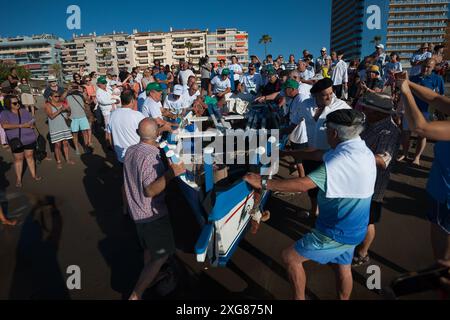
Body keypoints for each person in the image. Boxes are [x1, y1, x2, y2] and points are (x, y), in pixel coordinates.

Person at [245, 109, 376, 300]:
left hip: (336, 231)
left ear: (334, 133)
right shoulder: (361, 149)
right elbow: (319, 154)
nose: (324, 133)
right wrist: (287, 152)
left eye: (326, 130)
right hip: (356, 227)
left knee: (290, 257)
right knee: (343, 265)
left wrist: (262, 182)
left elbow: (302, 184)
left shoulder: (340, 162)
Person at [124, 118, 185, 300]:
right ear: (157, 133)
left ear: (137, 132)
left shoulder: (130, 150)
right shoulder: (152, 156)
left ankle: (150, 277)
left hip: (136, 210)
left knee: (148, 249)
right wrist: (172, 173)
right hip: (151, 214)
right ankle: (136, 295)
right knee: (160, 256)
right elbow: (150, 190)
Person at [397, 73, 450, 261]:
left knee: (443, 255)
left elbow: (420, 128)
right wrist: (408, 83)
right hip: (440, 191)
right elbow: (435, 98)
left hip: (446, 196)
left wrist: (405, 92)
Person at [282, 78, 351, 217]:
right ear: (315, 95)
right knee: (312, 188)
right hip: (310, 152)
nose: (329, 97)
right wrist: (278, 132)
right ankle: (314, 210)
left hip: (330, 155)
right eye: (325, 94)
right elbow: (294, 124)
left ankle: (329, 214)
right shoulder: (306, 105)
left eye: (331, 93)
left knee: (330, 188)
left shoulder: (340, 106)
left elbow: (356, 122)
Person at [352, 92, 401, 266]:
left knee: (368, 221)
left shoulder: (389, 131)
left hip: (373, 185)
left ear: (380, 113)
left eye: (369, 109)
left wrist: (353, 152)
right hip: (358, 181)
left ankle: (363, 253)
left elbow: (382, 161)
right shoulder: (369, 123)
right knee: (359, 217)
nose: (365, 110)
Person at [398, 58, 444, 166]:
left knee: (422, 135)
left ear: (433, 68)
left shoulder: (438, 79)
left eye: (429, 67)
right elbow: (404, 93)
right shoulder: (413, 78)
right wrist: (400, 108)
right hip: (410, 109)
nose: (426, 69)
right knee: (406, 133)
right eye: (424, 66)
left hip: (426, 111)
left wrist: (438, 112)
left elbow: (440, 96)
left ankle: (417, 157)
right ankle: (404, 153)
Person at [0, 95, 41, 187]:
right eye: (15, 103)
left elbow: (32, 122)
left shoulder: (25, 111)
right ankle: (19, 179)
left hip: (29, 138)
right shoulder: (4, 113)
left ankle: (34, 175)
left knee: (30, 156)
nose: (17, 104)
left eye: (18, 101)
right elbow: (4, 126)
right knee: (18, 159)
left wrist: (32, 125)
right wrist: (21, 125)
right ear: (8, 104)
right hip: (16, 140)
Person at [44, 91, 75, 169]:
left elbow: (69, 114)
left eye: (58, 96)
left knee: (65, 144)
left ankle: (67, 159)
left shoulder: (62, 103)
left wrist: (68, 110)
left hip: (64, 126)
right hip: (55, 128)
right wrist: (61, 109)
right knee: (57, 145)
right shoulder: (47, 105)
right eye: (55, 96)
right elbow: (51, 116)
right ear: (51, 97)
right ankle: (58, 161)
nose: (57, 98)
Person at [66, 84, 92, 155]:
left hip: (82, 116)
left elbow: (89, 101)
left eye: (76, 87)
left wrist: (83, 92)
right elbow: (61, 100)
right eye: (73, 87)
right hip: (73, 117)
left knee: (85, 133)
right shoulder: (67, 96)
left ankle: (86, 147)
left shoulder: (81, 95)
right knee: (75, 134)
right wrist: (68, 90)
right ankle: (77, 148)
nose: (74, 88)